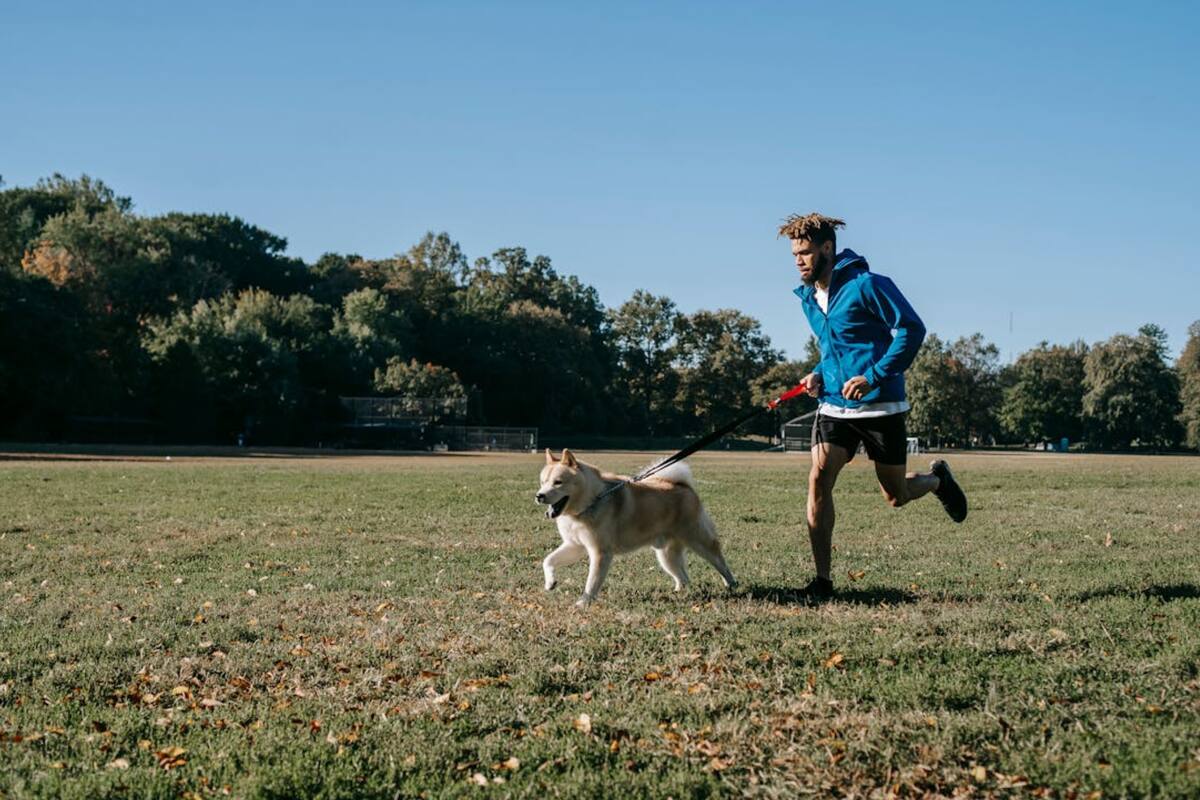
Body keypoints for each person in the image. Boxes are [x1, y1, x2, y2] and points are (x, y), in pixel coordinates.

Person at [781, 213, 968, 599]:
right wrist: (817, 374)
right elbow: (834, 350)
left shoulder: (868, 286)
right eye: (795, 254)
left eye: (805, 253)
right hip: (834, 407)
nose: (799, 260)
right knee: (819, 478)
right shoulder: (808, 298)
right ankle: (822, 582)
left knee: (895, 495)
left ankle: (936, 480)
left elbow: (911, 329)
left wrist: (874, 375)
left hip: (881, 404)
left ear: (827, 249)